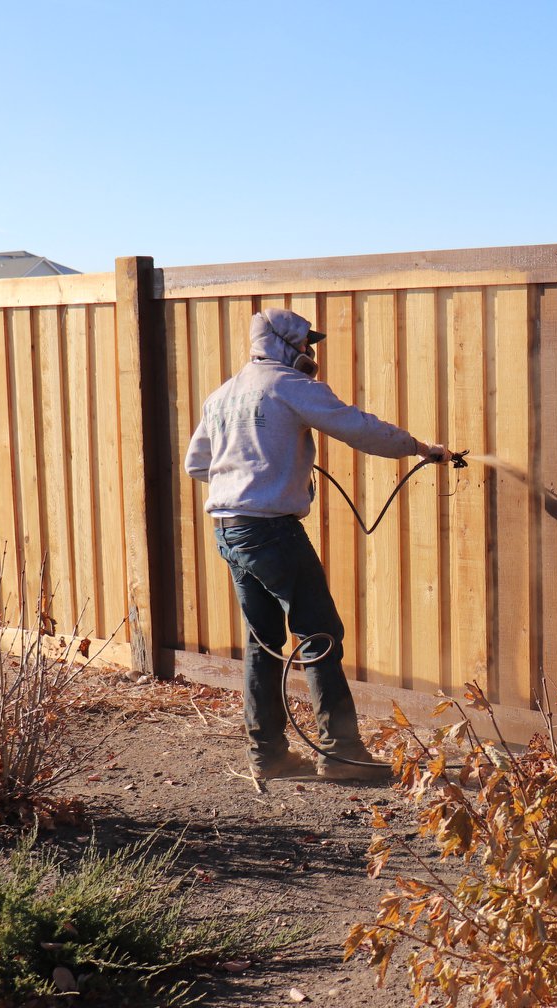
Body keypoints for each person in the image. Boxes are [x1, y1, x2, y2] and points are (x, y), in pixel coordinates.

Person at [184, 307, 451, 782]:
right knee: (319, 634)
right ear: (288, 346)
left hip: (229, 530)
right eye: (307, 344)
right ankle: (341, 754)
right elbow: (358, 427)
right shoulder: (289, 386)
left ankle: (267, 755)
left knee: (264, 642)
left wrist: (261, 468)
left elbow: (197, 465)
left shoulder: (223, 394)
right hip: (271, 530)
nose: (311, 354)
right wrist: (417, 446)